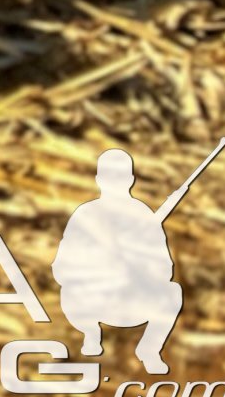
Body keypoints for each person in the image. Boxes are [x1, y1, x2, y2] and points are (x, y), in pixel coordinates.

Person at [53, 150, 181, 374]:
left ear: (130, 180)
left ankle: (149, 349)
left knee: (172, 292)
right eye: (110, 177)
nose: (115, 183)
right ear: (99, 180)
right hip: (91, 301)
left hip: (131, 300)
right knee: (70, 292)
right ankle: (91, 334)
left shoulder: (143, 216)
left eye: (119, 177)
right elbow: (61, 269)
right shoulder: (85, 214)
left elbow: (164, 269)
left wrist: (138, 265)